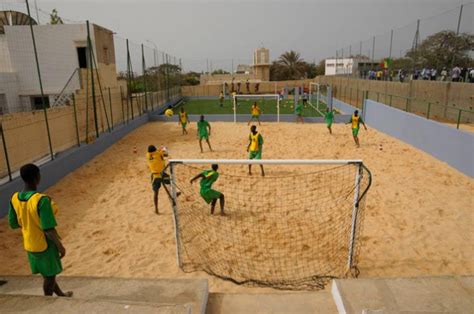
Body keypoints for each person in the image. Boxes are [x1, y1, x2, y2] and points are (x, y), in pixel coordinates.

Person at [8, 164, 73, 297]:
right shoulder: (42, 200)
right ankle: (47, 302)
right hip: (45, 245)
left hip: (29, 243)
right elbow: (48, 229)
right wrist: (60, 246)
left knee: (47, 273)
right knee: (50, 276)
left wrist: (29, 221)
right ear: (36, 177)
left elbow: (13, 224)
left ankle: (60, 294)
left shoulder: (14, 198)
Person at [147, 145, 171, 214]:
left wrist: (158, 150)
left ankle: (156, 209)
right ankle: (174, 195)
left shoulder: (148, 155)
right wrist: (163, 148)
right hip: (162, 174)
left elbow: (154, 152)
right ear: (155, 150)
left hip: (155, 176)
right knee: (170, 184)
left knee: (156, 193)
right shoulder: (159, 153)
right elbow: (166, 154)